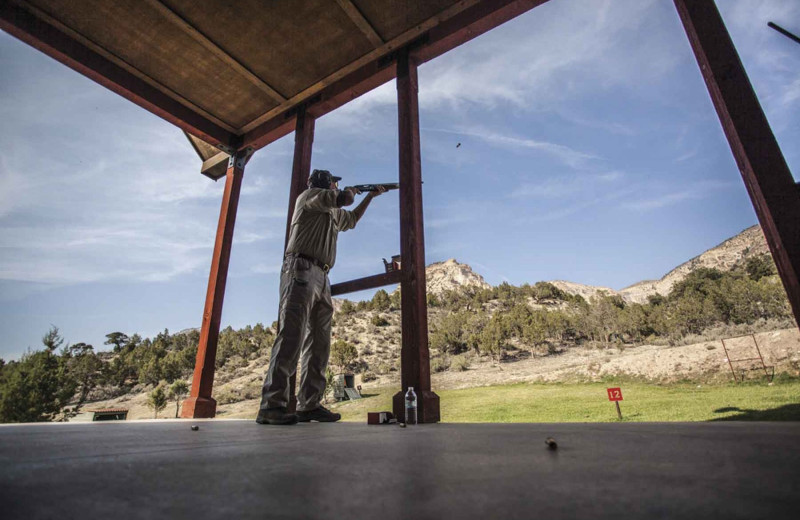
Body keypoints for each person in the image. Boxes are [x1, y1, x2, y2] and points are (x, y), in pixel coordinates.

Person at [257, 169, 386, 425]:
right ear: (327, 184)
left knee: (320, 344)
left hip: (323, 276)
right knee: (291, 336)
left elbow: (351, 219)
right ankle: (271, 405)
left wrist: (370, 196)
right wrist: (352, 192)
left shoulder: (332, 212)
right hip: (301, 269)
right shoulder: (310, 196)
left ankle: (310, 404)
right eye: (333, 182)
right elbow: (344, 200)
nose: (336, 185)